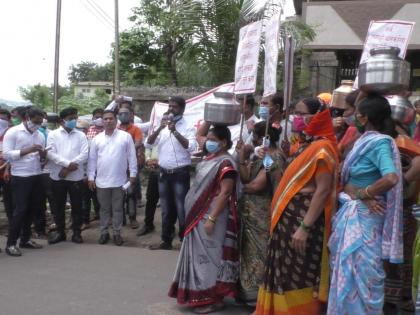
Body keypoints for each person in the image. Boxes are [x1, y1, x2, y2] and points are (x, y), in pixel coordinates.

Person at [255, 98, 339, 314]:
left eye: (301, 113)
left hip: (302, 221)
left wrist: (304, 227)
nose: (296, 117)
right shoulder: (307, 145)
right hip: (288, 218)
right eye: (295, 112)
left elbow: (322, 191)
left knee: (297, 274)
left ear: (317, 116)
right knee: (282, 270)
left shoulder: (323, 148)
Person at [328, 94, 402, 315]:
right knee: (347, 273)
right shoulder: (362, 141)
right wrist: (360, 193)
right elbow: (348, 182)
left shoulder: (380, 143)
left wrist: (365, 192)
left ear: (364, 116)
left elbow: (391, 178)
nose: (351, 116)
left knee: (364, 276)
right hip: (355, 213)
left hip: (366, 221)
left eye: (356, 112)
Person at [169, 125, 239, 313]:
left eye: (212, 139)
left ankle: (209, 299)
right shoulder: (210, 158)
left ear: (223, 142)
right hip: (197, 218)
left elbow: (225, 193)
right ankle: (206, 297)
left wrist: (212, 219)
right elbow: (199, 135)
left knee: (209, 258)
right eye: (207, 138)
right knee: (200, 257)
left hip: (210, 217)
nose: (207, 142)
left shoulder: (226, 163)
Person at [236, 121, 284, 305]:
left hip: (262, 214)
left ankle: (257, 295)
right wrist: (243, 156)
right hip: (251, 214)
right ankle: (247, 291)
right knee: (248, 252)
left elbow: (255, 185)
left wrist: (243, 187)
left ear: (263, 138)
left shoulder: (274, 158)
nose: (252, 139)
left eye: (254, 135)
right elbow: (247, 176)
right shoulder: (262, 156)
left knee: (259, 253)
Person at [147, 96, 197, 250]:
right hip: (163, 174)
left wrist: (174, 131)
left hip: (180, 174)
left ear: (182, 109)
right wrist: (160, 128)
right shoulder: (161, 126)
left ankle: (184, 240)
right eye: (169, 106)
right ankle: (166, 240)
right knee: (166, 209)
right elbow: (148, 142)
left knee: (182, 208)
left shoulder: (188, 126)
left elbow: (191, 147)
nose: (170, 109)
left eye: (174, 107)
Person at [88, 110, 137, 246]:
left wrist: (133, 175)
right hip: (101, 181)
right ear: (102, 121)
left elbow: (132, 157)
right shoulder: (97, 139)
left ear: (116, 120)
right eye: (105, 119)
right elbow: (92, 160)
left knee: (117, 209)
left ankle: (117, 233)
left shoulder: (125, 137)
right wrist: (91, 177)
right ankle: (104, 232)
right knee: (103, 209)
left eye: (111, 118)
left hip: (119, 180)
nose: (108, 121)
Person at [3, 106, 46, 256]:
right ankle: (11, 244)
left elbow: (41, 158)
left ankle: (25, 240)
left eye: (40, 122)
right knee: (20, 211)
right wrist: (28, 150)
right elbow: (6, 154)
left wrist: (42, 155)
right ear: (27, 118)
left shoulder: (39, 135)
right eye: (35, 121)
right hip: (20, 177)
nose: (38, 124)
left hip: (36, 174)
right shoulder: (13, 132)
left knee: (32, 209)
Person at [47, 107, 89, 244]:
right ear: (61, 120)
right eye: (71, 118)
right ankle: (60, 232)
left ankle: (77, 233)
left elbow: (84, 154)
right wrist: (66, 164)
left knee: (77, 206)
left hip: (75, 176)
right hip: (57, 176)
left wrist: (69, 168)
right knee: (58, 206)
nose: (74, 121)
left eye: (75, 118)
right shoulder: (53, 134)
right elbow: (51, 154)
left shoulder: (81, 135)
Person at [117, 104, 144, 229]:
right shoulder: (116, 129)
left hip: (131, 166)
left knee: (131, 192)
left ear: (131, 115)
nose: (123, 115)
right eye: (121, 113)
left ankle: (132, 218)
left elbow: (138, 143)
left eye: (125, 113)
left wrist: (123, 149)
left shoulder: (135, 129)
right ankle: (120, 218)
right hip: (117, 167)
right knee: (119, 193)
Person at [137, 145, 159, 236]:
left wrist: (159, 162)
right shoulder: (154, 130)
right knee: (150, 198)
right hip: (154, 170)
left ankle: (170, 228)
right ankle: (148, 224)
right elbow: (148, 147)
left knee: (169, 201)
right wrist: (148, 160)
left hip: (168, 168)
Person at [85, 108, 104, 221]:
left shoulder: (107, 130)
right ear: (93, 118)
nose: (99, 119)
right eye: (96, 117)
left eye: (101, 117)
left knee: (99, 194)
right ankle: (87, 218)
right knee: (88, 194)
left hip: (102, 167)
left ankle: (100, 213)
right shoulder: (89, 130)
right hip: (89, 165)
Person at [0, 108, 13, 224]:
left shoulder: (11, 132)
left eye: (2, 119)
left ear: (9, 120)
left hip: (5, 170)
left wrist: (7, 169)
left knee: (9, 197)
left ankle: (12, 222)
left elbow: (11, 154)